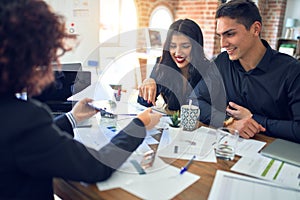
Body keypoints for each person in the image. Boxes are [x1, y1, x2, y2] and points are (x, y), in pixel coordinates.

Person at [0, 0, 162, 199]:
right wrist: (140, 124)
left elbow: (31, 141)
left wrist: (72, 117)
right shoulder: (23, 118)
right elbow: (96, 165)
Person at [192, 0, 300, 143]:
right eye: (220, 36)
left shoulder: (292, 70)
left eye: (230, 34)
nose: (223, 44)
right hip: (230, 150)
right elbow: (194, 101)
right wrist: (230, 122)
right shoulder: (222, 62)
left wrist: (253, 119)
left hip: (275, 154)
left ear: (255, 29)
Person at [137, 19, 209, 114]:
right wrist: (148, 81)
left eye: (185, 46)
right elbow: (145, 103)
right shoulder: (163, 64)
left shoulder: (208, 70)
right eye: (173, 46)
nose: (178, 53)